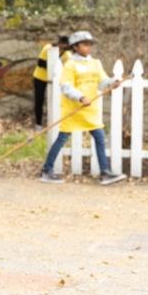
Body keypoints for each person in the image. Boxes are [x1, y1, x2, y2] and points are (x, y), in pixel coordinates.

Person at [40, 31, 126, 185]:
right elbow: (65, 87)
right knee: (62, 139)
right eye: (85, 44)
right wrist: (80, 97)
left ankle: (105, 173)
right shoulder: (70, 65)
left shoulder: (96, 63)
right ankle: (47, 170)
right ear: (75, 47)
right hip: (74, 109)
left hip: (90, 110)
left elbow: (102, 82)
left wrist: (112, 83)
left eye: (89, 44)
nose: (88, 47)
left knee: (100, 138)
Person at [33, 34, 72, 127]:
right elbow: (40, 63)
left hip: (55, 81)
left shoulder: (67, 55)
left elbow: (67, 69)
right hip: (40, 78)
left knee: (56, 100)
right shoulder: (48, 48)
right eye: (62, 43)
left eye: (65, 44)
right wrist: (55, 67)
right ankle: (38, 124)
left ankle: (53, 122)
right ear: (59, 42)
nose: (63, 46)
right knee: (39, 100)